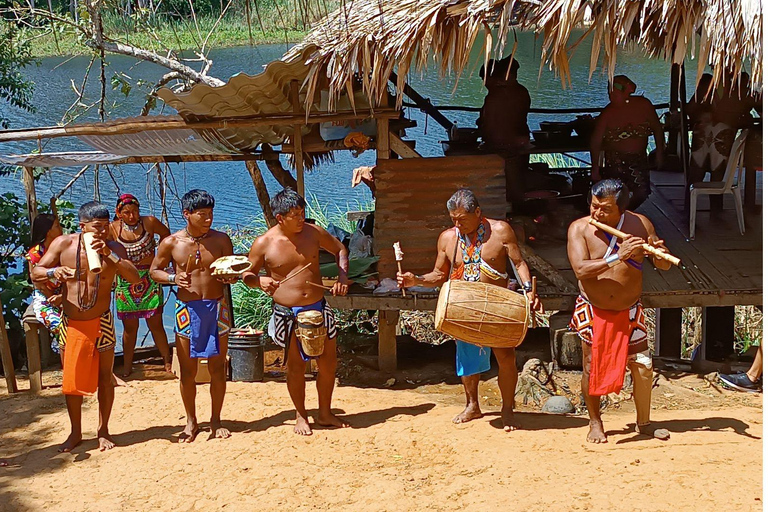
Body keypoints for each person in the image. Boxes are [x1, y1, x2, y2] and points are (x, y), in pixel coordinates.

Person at [397, 188, 542, 432]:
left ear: (478, 212)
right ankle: (472, 405)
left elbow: (518, 263)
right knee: (466, 358)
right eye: (453, 219)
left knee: (506, 358)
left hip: (496, 305)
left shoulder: (500, 231)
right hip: (465, 308)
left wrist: (529, 290)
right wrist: (417, 280)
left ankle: (507, 409)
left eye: (462, 219)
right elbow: (439, 275)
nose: (457, 224)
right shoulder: (447, 238)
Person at [567, 179, 672, 443]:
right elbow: (581, 270)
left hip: (630, 308)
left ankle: (644, 422)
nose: (597, 214)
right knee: (591, 366)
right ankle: (595, 421)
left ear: (621, 209)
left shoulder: (640, 224)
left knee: (643, 365)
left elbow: (664, 265)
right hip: (593, 307)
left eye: (605, 209)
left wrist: (659, 253)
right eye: (594, 206)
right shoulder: (579, 228)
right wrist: (618, 256)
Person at [31, 202, 139, 452]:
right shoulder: (64, 244)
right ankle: (76, 432)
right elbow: (36, 271)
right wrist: (54, 272)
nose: (102, 233)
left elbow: (133, 277)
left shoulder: (114, 248)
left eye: (105, 227)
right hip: (72, 323)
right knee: (72, 380)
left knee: (105, 376)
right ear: (82, 226)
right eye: (96, 227)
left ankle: (103, 431)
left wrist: (109, 256)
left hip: (101, 320)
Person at [242, 188, 350, 436]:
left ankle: (324, 413)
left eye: (302, 213)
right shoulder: (264, 243)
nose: (301, 218)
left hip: (319, 307)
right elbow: (246, 274)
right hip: (287, 313)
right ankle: (300, 415)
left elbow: (340, 249)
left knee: (328, 363)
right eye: (295, 215)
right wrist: (259, 281)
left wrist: (342, 277)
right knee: (296, 367)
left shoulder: (314, 233)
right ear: (280, 218)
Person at [150, 190, 235, 443]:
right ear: (187, 214)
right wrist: (173, 278)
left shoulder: (221, 240)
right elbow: (155, 271)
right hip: (187, 310)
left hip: (217, 308)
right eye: (202, 214)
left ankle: (216, 420)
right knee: (188, 370)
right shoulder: (171, 243)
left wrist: (231, 277)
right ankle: (191, 421)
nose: (208, 218)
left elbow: (230, 270)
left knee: (218, 368)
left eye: (210, 213)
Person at [109, 194, 172, 377]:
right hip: (125, 281)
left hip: (150, 278)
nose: (131, 216)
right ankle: (127, 366)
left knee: (156, 323)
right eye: (127, 212)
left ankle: (167, 361)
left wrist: (161, 258)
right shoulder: (113, 229)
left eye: (135, 211)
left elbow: (166, 235)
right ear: (118, 213)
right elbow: (101, 247)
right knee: (130, 328)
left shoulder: (150, 222)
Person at [688, 71, 759, 212]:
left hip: (718, 135)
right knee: (701, 172)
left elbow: (755, 105)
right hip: (709, 134)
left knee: (713, 172)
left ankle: (709, 210)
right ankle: (697, 209)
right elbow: (690, 109)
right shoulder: (709, 82)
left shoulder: (739, 84)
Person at [591, 75, 665, 210]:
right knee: (615, 193)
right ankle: (618, 214)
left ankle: (623, 213)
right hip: (615, 160)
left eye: (615, 92)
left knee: (642, 192)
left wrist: (660, 152)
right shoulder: (607, 114)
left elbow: (657, 129)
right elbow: (595, 141)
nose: (611, 95)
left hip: (639, 158)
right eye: (609, 92)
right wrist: (595, 167)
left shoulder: (644, 105)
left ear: (626, 91)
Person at [477, 56, 531, 208]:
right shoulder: (521, 92)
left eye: (485, 79)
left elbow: (492, 127)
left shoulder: (496, 97)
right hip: (520, 144)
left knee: (507, 188)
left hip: (502, 147)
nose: (485, 84)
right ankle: (519, 214)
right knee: (517, 184)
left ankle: (513, 217)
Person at [25, 214, 65, 358]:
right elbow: (39, 284)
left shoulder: (64, 248)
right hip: (45, 299)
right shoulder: (35, 254)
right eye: (56, 226)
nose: (60, 229)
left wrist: (63, 297)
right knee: (62, 328)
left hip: (65, 295)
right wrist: (55, 300)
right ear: (48, 231)